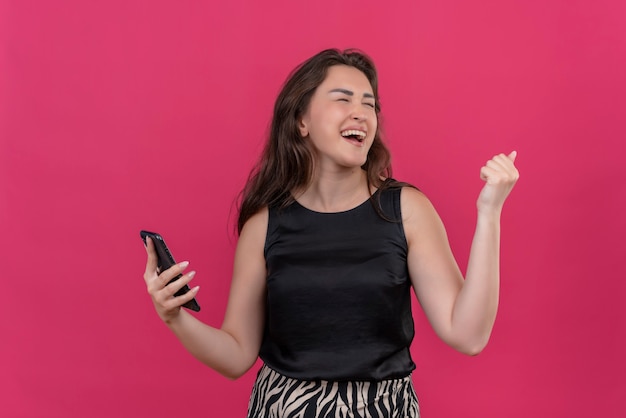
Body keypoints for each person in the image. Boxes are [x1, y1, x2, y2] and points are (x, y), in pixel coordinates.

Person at [142, 48, 519, 417]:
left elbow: (467, 335)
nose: (361, 113)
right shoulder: (264, 225)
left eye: (369, 104)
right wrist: (175, 317)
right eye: (343, 99)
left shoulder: (406, 209)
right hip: (283, 409)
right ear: (301, 121)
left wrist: (490, 213)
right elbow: (237, 355)